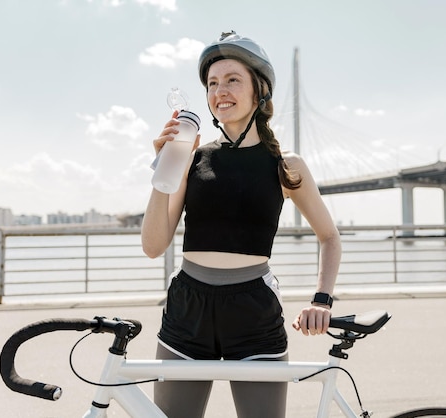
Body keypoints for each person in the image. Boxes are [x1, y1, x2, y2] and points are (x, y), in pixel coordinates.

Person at [141, 30, 341, 418]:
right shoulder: (192, 158)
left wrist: (321, 299)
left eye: (233, 79)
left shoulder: (287, 165)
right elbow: (153, 247)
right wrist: (163, 167)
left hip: (253, 313)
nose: (220, 91)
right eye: (213, 83)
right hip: (188, 310)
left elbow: (329, 236)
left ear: (259, 91)